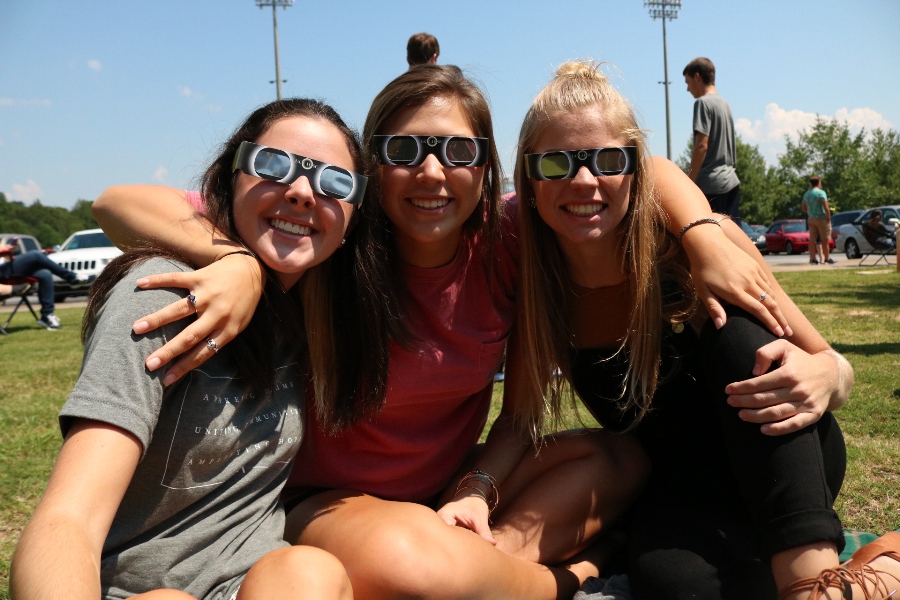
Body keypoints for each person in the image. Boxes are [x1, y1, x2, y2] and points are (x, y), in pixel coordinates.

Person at [91, 66, 794, 600]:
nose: (433, 172)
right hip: (330, 502)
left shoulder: (508, 236)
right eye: (405, 149)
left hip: (453, 487)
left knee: (620, 460)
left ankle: (480, 570)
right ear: (370, 168)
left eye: (457, 151)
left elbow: (646, 167)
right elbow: (118, 203)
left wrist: (476, 489)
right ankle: (565, 576)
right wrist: (235, 260)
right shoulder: (334, 237)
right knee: (415, 564)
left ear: (487, 168)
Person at [514, 60, 900, 600]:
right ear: (527, 178)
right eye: (556, 163)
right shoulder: (538, 287)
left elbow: (838, 369)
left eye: (607, 160)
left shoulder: (700, 248)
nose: (583, 180)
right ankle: (883, 566)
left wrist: (824, 376)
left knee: (737, 329)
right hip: (681, 495)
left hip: (780, 459)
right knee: (672, 586)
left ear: (634, 170)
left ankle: (813, 581)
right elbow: (515, 422)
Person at [9, 98, 365, 600]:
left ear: (351, 222)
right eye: (273, 164)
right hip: (136, 591)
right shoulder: (164, 295)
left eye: (336, 183)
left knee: (310, 575)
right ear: (229, 179)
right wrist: (237, 260)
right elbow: (70, 517)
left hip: (249, 582)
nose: (304, 191)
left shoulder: (318, 310)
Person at [684, 57, 741, 222]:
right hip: (731, 181)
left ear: (697, 76)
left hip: (711, 185)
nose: (688, 89)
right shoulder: (725, 104)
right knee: (733, 237)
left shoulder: (703, 103)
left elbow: (701, 146)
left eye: (688, 82)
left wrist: (690, 182)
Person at [0, 242, 83, 329]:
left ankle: (47, 315)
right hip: (3, 272)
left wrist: (9, 249)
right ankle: (72, 278)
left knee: (44, 274)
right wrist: (5, 250)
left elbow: (4, 253)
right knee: (35, 255)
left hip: (8, 266)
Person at [802, 175, 833, 264]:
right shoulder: (821, 193)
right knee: (824, 239)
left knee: (812, 240)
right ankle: (827, 258)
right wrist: (828, 217)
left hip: (811, 218)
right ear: (819, 182)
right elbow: (826, 207)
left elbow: (803, 208)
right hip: (821, 218)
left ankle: (813, 259)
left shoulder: (806, 194)